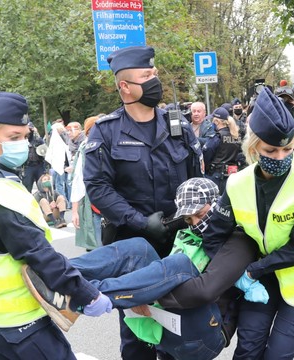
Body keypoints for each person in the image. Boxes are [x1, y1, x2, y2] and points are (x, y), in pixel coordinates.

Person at [0, 91, 111, 360]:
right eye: (13, 138)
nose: (22, 144)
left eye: (24, 136)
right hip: (18, 321)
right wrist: (87, 295)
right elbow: (39, 254)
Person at [25, 177, 262, 360]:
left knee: (178, 264)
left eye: (200, 214)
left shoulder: (238, 240)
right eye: (189, 219)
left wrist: (150, 298)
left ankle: (86, 295)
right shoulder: (187, 232)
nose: (196, 223)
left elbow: (204, 291)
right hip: (167, 326)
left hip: (207, 335)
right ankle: (60, 274)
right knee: (139, 246)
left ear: (218, 205)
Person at [202, 87, 294, 359]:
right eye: (271, 150)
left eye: (287, 149)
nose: (280, 156)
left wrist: (253, 270)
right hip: (262, 279)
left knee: (277, 355)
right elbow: (214, 236)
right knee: (247, 350)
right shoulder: (237, 183)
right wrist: (231, 275)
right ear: (254, 146)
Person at [83, 45, 203, 360]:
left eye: (155, 74)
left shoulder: (178, 126)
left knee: (183, 328)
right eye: (146, 75)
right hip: (132, 245)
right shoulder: (106, 131)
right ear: (125, 86)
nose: (155, 80)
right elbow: (97, 186)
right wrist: (140, 222)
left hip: (181, 244)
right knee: (138, 332)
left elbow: (196, 181)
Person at [70, 116, 102, 250]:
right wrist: (75, 211)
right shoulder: (85, 149)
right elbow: (78, 181)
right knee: (99, 246)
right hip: (95, 204)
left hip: (113, 203)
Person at [202, 107, 242, 193]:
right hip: (233, 174)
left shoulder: (217, 137)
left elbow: (207, 153)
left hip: (217, 175)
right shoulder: (236, 136)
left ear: (217, 122)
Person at [21, 122, 46, 192]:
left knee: (43, 186)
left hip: (39, 165)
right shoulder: (22, 140)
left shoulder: (37, 140)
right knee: (27, 187)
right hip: (28, 166)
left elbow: (43, 146)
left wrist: (36, 132)